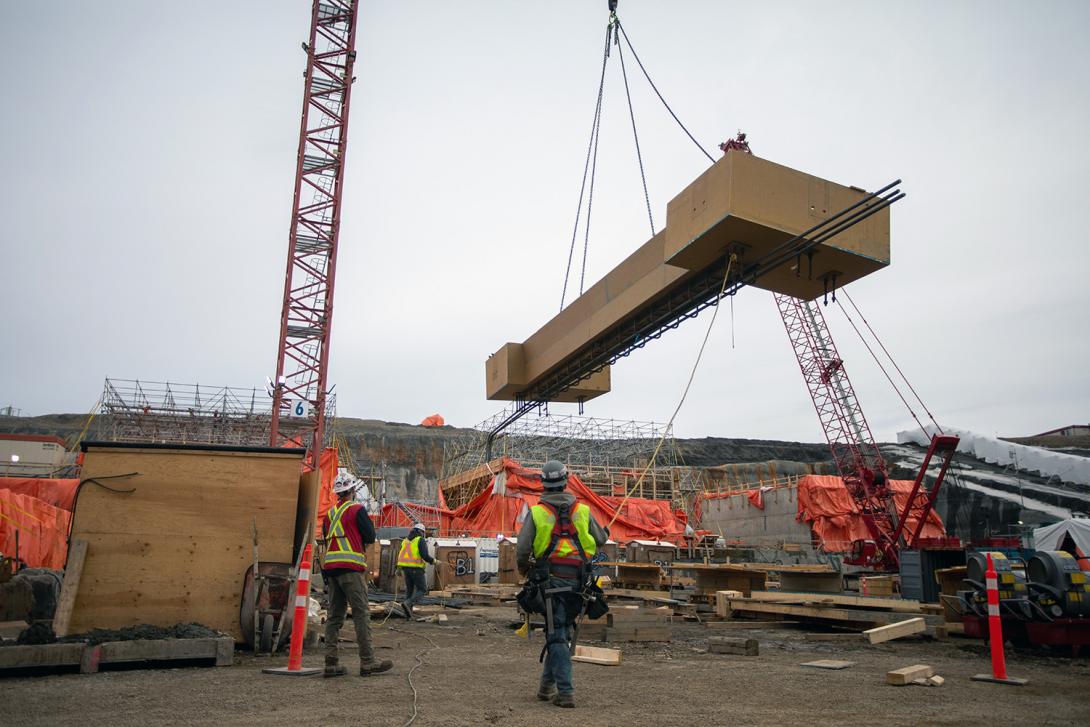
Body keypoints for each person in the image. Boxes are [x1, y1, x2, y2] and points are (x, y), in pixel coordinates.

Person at [516, 460, 608, 709]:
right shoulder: (583, 510)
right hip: (578, 584)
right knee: (559, 632)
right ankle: (546, 689)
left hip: (549, 582)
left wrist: (525, 571)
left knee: (556, 635)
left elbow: (523, 549)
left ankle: (565, 692)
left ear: (543, 483)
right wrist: (604, 533)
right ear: (566, 481)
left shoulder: (537, 513)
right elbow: (601, 539)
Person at [321, 473, 393, 678]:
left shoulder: (329, 514)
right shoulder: (356, 510)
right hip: (351, 569)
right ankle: (368, 661)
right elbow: (370, 536)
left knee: (335, 616)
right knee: (361, 613)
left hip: (332, 569)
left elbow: (327, 540)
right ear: (352, 491)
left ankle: (331, 663)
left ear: (337, 494)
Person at [397, 523, 434, 618]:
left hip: (406, 569)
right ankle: (408, 603)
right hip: (416, 569)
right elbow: (425, 556)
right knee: (422, 590)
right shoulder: (420, 540)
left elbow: (400, 555)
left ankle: (408, 615)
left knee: (409, 590)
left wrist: (398, 568)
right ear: (421, 532)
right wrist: (433, 561)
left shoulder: (405, 541)